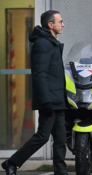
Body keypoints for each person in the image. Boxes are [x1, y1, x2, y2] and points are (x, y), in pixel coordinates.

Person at [1, 10, 69, 175]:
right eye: (60, 21)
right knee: (43, 136)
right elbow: (40, 74)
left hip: (58, 99)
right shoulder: (43, 44)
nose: (63, 24)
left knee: (60, 140)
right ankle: (11, 162)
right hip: (50, 100)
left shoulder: (51, 42)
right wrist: (46, 101)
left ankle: (61, 171)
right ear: (50, 25)